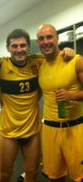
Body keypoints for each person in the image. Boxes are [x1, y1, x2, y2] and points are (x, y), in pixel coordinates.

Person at [0, 29, 75, 182]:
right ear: (8, 48)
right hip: (8, 133)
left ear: (29, 47)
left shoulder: (38, 62)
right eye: (14, 46)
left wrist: (67, 50)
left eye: (23, 45)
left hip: (32, 132)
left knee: (32, 173)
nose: (19, 50)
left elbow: (55, 56)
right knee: (5, 174)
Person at [37, 24, 83, 182]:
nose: (45, 41)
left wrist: (72, 96)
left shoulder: (75, 60)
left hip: (75, 128)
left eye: (49, 37)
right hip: (50, 130)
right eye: (41, 38)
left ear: (57, 38)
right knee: (54, 177)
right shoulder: (39, 65)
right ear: (38, 43)